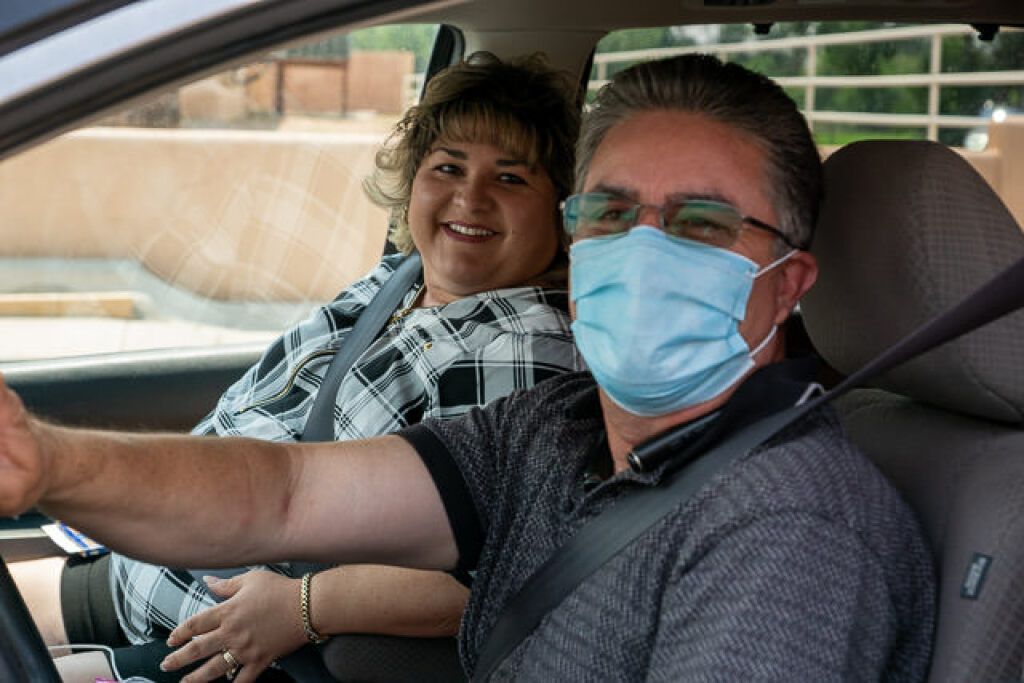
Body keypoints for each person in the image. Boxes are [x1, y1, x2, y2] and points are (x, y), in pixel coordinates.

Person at [0, 53, 936, 681]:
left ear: (787, 283)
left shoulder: (796, 532)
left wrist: (310, 606)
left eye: (700, 223)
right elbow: (279, 493)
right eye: (609, 211)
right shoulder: (551, 429)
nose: (643, 248)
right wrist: (48, 461)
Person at [9, 51, 583, 682]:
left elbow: (499, 577)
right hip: (150, 576)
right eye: (447, 167)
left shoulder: (520, 345)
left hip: (230, 644)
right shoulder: (402, 278)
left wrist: (303, 607)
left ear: (561, 210)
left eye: (510, 179)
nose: (469, 197)